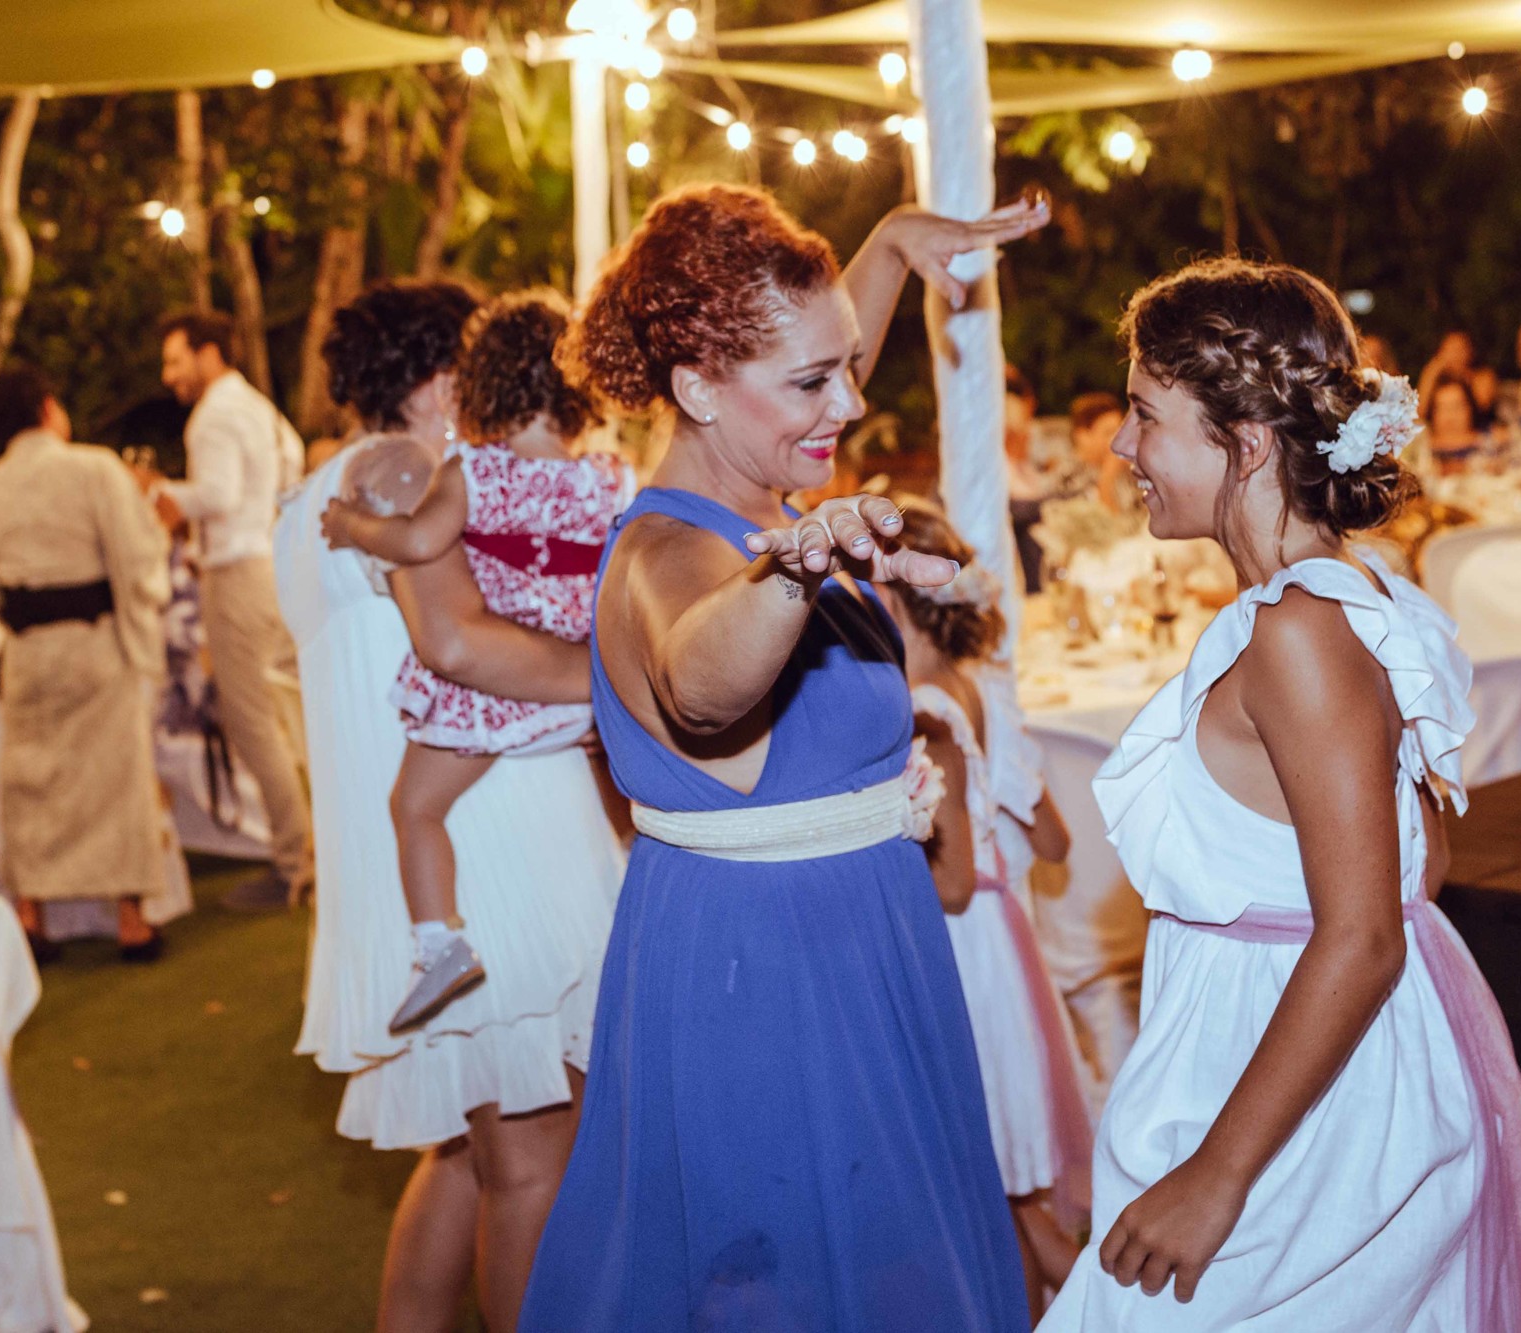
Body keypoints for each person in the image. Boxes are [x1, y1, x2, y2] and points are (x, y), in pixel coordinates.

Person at [519, 183, 1050, 1331]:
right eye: (815, 382)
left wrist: (892, 246)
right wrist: (797, 571)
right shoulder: (667, 549)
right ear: (698, 386)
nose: (846, 403)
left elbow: (799, 357)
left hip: (863, 944)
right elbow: (702, 685)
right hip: (763, 979)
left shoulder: (758, 472)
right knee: (777, 1283)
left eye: (847, 365)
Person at [1041, 258, 1521, 1331]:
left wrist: (1217, 1173)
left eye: (1144, 415)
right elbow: (1419, 864)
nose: (1121, 447)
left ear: (1244, 444)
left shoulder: (1298, 633)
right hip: (1313, 1050)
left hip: (1291, 1093)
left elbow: (1365, 934)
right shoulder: (1354, 601)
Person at [278, 279, 626, 1333]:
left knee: (476, 1154)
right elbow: (458, 644)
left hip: (438, 854)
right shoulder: (408, 473)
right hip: (496, 846)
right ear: (439, 382)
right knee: (530, 1153)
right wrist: (627, 679)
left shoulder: (314, 494)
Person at [321, 291, 625, 1036]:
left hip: (496, 700)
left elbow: (419, 543)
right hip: (582, 696)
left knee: (415, 806)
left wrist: (354, 523)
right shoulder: (612, 477)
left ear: (479, 384)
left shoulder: (475, 474)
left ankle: (440, 943)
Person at [880, 499, 1088, 1320]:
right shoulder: (986, 693)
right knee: (1003, 1181)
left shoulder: (927, 712)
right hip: (1005, 949)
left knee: (990, 1185)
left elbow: (955, 880)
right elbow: (1055, 843)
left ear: (897, 603)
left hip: (963, 951)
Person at [0, 363, 175, 962]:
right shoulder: (94, 468)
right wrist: (141, 641)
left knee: (32, 782)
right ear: (48, 409)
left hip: (24, 650)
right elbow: (135, 556)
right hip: (92, 643)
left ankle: (34, 917)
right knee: (115, 775)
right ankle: (130, 920)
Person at [150, 309, 314, 909]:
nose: (169, 376)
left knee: (251, 723)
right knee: (276, 717)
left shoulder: (214, 415)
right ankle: (307, 850)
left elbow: (215, 495)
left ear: (207, 352)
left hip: (237, 575)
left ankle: (295, 862)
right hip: (271, 566)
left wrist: (160, 493)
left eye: (175, 360)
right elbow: (292, 463)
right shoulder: (260, 409)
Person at [1007, 365, 1053, 591]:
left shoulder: (1024, 467)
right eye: (1024, 432)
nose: (1029, 436)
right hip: (1022, 570)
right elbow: (1019, 509)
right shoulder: (1002, 471)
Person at [1417, 371, 1494, 475]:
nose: (1450, 416)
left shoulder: (1491, 445)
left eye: (1456, 407)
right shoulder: (1419, 450)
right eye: (1442, 408)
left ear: (1470, 408)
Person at [1068, 392, 1133, 510]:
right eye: (1108, 432)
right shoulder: (1068, 476)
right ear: (1082, 436)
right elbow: (1103, 523)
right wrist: (1107, 478)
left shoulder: (1124, 471)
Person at [1416, 329, 1498, 419]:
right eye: (1449, 349)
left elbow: (1483, 404)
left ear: (1470, 352)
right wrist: (1433, 370)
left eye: (1460, 349)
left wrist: (1462, 375)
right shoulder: (1436, 380)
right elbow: (1420, 412)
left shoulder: (1483, 375)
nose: (1455, 354)